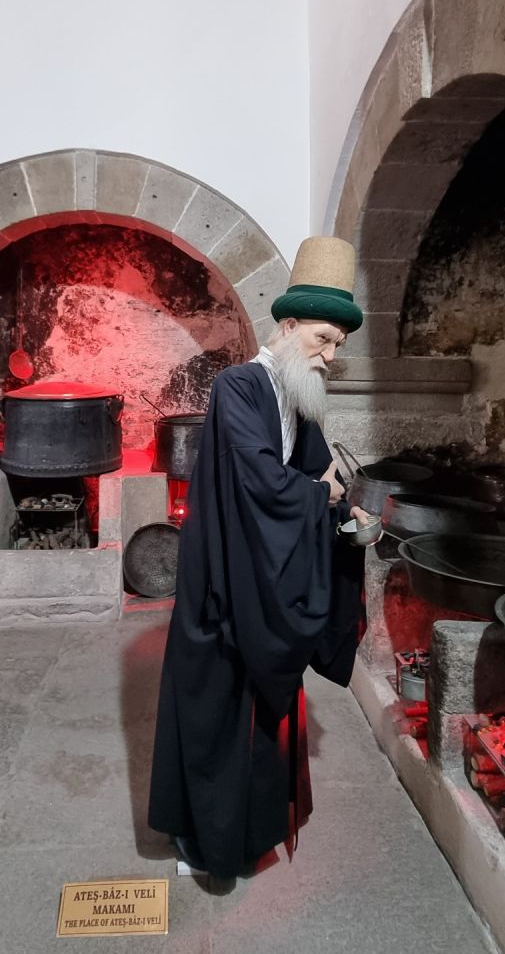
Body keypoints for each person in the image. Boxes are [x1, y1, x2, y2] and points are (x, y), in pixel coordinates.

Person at [148, 235, 373, 878]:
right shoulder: (239, 386)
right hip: (224, 578)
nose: (329, 357)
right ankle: (207, 840)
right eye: (322, 340)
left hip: (261, 574)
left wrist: (339, 516)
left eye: (337, 347)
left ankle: (250, 828)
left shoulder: (298, 399)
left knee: (259, 711)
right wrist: (316, 495)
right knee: (216, 707)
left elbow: (311, 476)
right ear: (288, 324)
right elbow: (257, 481)